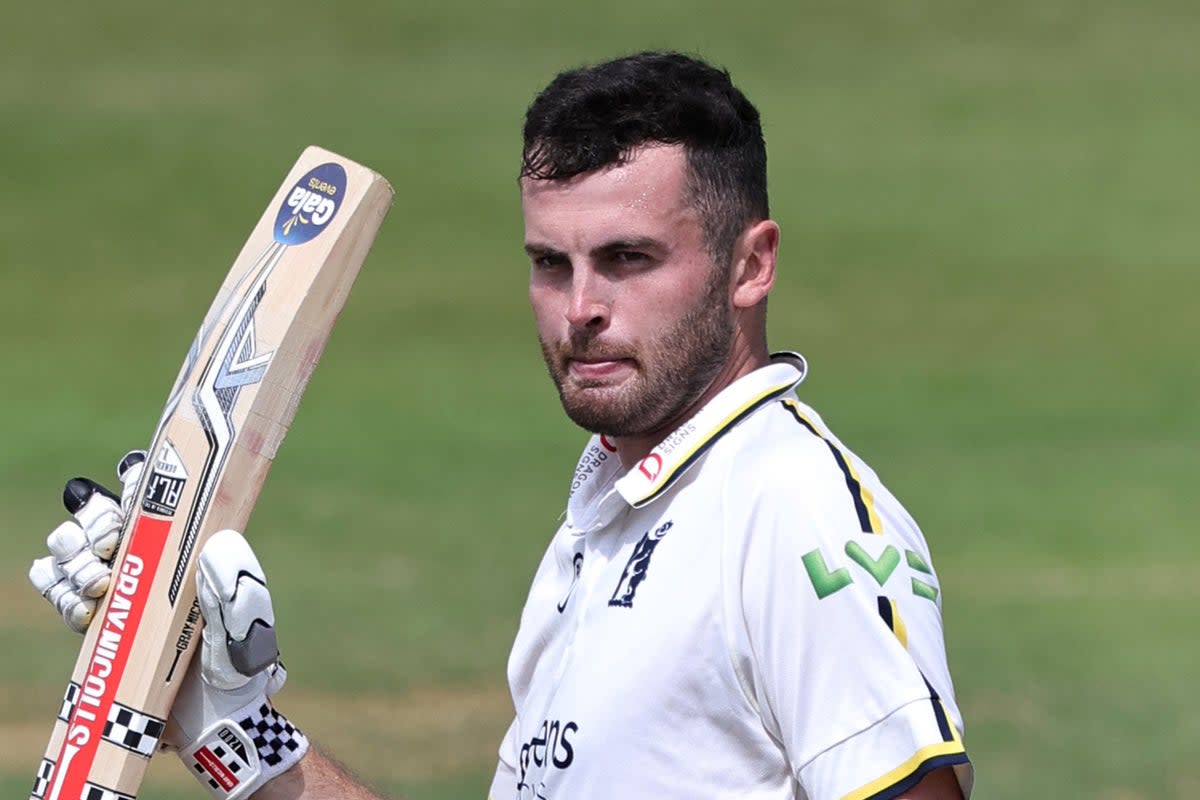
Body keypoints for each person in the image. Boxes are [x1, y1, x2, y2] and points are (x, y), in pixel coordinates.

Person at [31, 51, 973, 799]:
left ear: (749, 265)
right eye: (550, 264)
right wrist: (232, 731)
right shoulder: (608, 517)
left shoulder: (791, 509)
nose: (581, 308)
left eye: (628, 258)